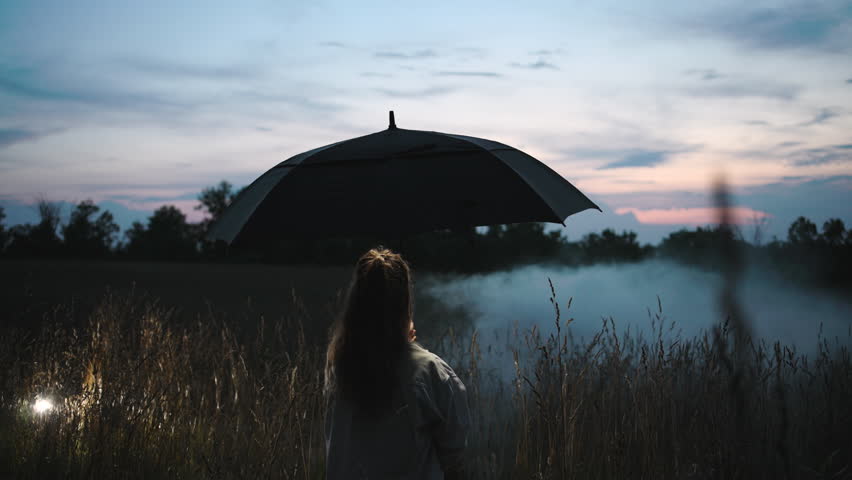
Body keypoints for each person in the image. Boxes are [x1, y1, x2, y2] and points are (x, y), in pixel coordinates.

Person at [324, 247, 470, 480]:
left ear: (356, 302)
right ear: (404, 301)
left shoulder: (339, 368)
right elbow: (455, 456)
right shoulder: (430, 372)